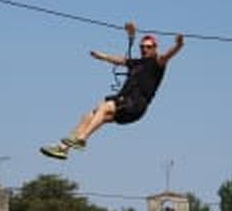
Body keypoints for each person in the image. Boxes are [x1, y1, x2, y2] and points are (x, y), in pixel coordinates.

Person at [40, 21, 184, 160]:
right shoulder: (136, 63)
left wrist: (178, 45)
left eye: (148, 47)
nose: (144, 49)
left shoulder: (157, 63)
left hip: (136, 104)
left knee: (105, 106)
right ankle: (63, 149)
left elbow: (168, 55)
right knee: (89, 116)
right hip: (125, 103)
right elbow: (118, 60)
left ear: (155, 48)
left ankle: (82, 139)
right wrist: (101, 56)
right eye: (142, 47)